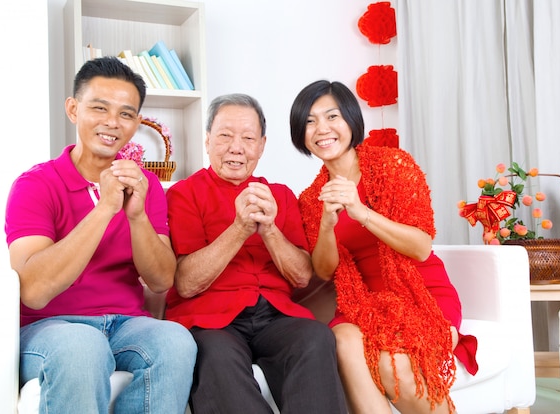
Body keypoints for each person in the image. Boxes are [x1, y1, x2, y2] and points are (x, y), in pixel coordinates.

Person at [5, 56, 197, 414]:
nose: (112, 122)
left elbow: (160, 280)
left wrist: (136, 216)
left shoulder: (146, 184)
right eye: (99, 108)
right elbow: (32, 290)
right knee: (83, 345)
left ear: (137, 122)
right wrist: (105, 208)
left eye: (126, 113)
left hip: (125, 324)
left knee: (175, 340)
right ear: (73, 109)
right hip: (50, 328)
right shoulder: (35, 185)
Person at [289, 80, 478, 414]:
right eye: (309, 121)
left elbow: (420, 247)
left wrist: (361, 213)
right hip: (360, 304)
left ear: (350, 119)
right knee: (343, 341)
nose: (322, 129)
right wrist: (327, 225)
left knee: (392, 365)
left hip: (420, 292)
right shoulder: (309, 199)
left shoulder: (393, 166)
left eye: (331, 116)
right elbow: (324, 271)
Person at [164, 93, 347, 414]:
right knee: (213, 355)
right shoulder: (183, 193)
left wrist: (270, 229)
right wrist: (239, 228)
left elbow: (303, 276)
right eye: (224, 136)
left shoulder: (280, 196)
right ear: (207, 141)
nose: (236, 147)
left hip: (275, 316)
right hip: (211, 321)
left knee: (315, 338)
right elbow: (186, 283)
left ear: (261, 146)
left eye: (248, 138)